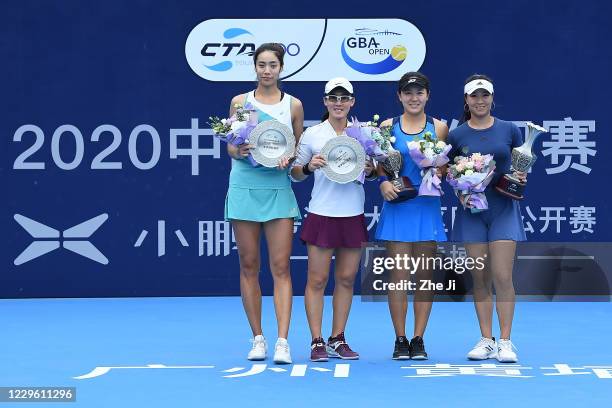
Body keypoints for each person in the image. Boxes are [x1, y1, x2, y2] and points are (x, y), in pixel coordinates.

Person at [225, 43, 304, 364]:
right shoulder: (240, 102)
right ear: (255, 68)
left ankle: (283, 341)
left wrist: (289, 159)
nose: (267, 70)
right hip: (244, 187)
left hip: (278, 189)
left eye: (273, 64)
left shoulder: (294, 105)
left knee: (281, 267)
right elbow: (231, 147)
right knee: (248, 266)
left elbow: (297, 150)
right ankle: (258, 338)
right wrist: (238, 150)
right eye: (262, 64)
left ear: (281, 68)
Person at [291, 77, 375, 361]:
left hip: (352, 213)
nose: (339, 103)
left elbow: (375, 171)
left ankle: (337, 338)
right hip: (322, 213)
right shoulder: (313, 134)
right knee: (317, 279)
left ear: (352, 102)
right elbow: (295, 172)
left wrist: (372, 167)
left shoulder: (363, 134)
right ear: (325, 102)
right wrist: (308, 165)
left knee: (347, 279)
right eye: (333, 98)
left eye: (344, 98)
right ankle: (316, 340)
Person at [448, 74, 527, 363]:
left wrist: (520, 177)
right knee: (480, 278)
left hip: (503, 210)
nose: (480, 101)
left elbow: (521, 166)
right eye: (474, 96)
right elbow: (447, 171)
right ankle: (486, 339)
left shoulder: (510, 130)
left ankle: (506, 341)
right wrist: (460, 192)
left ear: (492, 98)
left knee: (503, 276)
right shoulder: (456, 135)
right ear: (466, 101)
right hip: (472, 214)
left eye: (485, 95)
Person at [375, 72, 449, 360]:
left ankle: (418, 338)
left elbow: (445, 165)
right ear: (400, 96)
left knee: (424, 277)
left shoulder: (439, 128)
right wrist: (382, 181)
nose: (414, 97)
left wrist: (439, 171)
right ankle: (400, 338)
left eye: (419, 93)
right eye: (408, 93)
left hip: (426, 208)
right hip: (397, 207)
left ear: (427, 95)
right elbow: (381, 162)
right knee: (398, 278)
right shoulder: (387, 126)